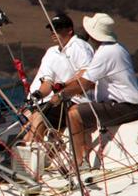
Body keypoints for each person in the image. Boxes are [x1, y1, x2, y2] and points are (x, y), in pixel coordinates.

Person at [48, 13, 138, 170]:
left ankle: (79, 163)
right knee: (81, 110)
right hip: (126, 105)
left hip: (123, 107)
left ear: (93, 35)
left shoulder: (105, 53)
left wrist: (61, 95)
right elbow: (88, 81)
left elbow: (85, 83)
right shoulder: (118, 48)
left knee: (73, 114)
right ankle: (83, 154)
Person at [24, 13, 94, 143]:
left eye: (58, 29)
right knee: (28, 121)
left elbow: (87, 73)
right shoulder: (51, 52)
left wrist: (64, 85)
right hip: (57, 101)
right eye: (51, 29)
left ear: (69, 30)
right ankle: (26, 154)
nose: (53, 32)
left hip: (75, 100)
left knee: (39, 118)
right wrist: (38, 94)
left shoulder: (79, 46)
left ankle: (32, 153)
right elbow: (47, 82)